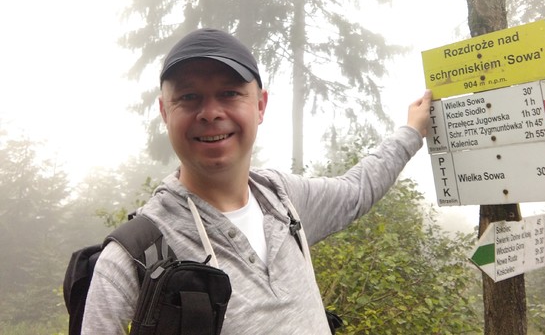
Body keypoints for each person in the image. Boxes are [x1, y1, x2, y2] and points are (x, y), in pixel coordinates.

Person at [81, 28, 432, 334]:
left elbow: (357, 190)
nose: (210, 113)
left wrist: (412, 131)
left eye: (230, 93)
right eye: (188, 97)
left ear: (260, 106)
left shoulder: (282, 199)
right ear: (164, 112)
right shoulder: (133, 260)